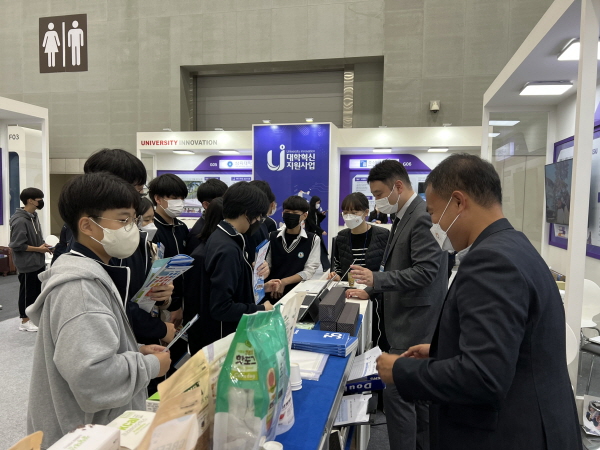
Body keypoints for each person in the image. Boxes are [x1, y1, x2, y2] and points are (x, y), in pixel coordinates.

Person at [375, 154, 581, 450]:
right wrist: (442, 351)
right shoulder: (515, 245)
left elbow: (483, 377)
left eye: (433, 212)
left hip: (512, 433)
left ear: (458, 202)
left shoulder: (491, 262)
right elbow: (510, 345)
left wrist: (400, 370)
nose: (433, 224)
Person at [26, 173, 171, 448]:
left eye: (134, 220)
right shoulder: (81, 289)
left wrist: (134, 350)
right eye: (123, 220)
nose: (132, 229)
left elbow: (82, 353)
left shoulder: (93, 271)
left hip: (95, 430)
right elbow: (92, 378)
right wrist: (151, 365)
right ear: (87, 225)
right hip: (84, 436)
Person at [346, 159, 447, 450]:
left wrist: (376, 279)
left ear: (398, 186)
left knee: (398, 392)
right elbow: (398, 265)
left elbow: (425, 272)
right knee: (419, 398)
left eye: (379, 194)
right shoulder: (403, 217)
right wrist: (371, 290)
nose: (377, 201)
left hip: (416, 321)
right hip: (405, 318)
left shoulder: (422, 217)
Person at [199, 182, 278, 347]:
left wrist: (262, 288)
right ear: (247, 213)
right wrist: (261, 309)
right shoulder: (227, 248)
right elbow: (221, 307)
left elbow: (232, 287)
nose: (259, 221)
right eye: (258, 216)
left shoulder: (226, 237)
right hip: (225, 337)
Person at [328, 192, 390, 350]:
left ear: (366, 212)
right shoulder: (341, 237)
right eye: (345, 212)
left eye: (354, 212)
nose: (349, 216)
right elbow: (340, 267)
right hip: (351, 295)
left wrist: (370, 290)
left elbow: (388, 269)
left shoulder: (383, 235)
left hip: (376, 296)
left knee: (375, 338)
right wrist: (336, 275)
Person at [149, 173, 189, 328]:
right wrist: (174, 305)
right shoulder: (152, 229)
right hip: (164, 303)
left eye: (181, 198)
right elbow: (158, 273)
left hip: (185, 299)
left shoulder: (181, 227)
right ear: (158, 199)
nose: (179, 202)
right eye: (174, 198)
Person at [9, 188, 52, 332]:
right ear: (30, 201)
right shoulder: (20, 220)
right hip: (27, 264)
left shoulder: (33, 216)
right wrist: (39, 249)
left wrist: (43, 245)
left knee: (35, 292)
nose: (41, 202)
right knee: (27, 292)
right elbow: (17, 245)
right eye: (40, 200)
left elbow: (36, 238)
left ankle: (33, 318)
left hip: (37, 261)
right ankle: (24, 321)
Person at [266, 195, 321, 301]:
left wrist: (284, 282)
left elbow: (309, 271)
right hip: (272, 291)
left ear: (304, 216)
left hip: (297, 293)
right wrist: (275, 283)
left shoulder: (313, 239)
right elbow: (267, 265)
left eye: (295, 213)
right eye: (287, 212)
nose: (290, 215)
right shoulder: (272, 236)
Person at [186, 178, 228, 254]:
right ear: (206, 205)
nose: (225, 204)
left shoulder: (223, 222)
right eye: (220, 201)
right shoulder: (198, 234)